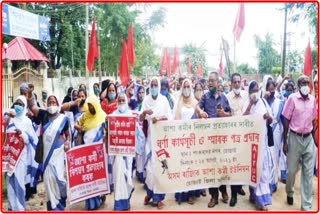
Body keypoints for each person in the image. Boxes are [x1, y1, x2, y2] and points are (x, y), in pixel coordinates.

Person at [27, 95, 70, 211]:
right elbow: (32, 107)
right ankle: (53, 208)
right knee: (49, 179)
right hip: (47, 156)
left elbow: (68, 135)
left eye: (54, 102)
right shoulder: (43, 115)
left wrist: (67, 143)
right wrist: (30, 94)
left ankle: (61, 200)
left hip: (58, 154)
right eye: (49, 103)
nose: (51, 105)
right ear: (47, 105)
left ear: (57, 104)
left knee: (60, 179)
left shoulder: (63, 118)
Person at [195, 71, 231, 208]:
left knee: (221, 166)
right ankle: (214, 196)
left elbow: (231, 113)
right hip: (209, 139)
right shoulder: (205, 97)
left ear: (217, 82)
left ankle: (223, 191)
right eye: (208, 81)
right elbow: (197, 106)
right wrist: (200, 112)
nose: (209, 83)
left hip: (222, 139)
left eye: (212, 81)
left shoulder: (223, 98)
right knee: (211, 167)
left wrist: (225, 114)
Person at [282, 75, 316, 211]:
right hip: (294, 138)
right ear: (298, 85)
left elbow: (313, 120)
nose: (305, 85)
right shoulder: (292, 99)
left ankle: (306, 206)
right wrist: (285, 141)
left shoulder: (312, 100)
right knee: (291, 171)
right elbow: (285, 120)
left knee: (308, 173)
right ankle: (289, 191)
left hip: (308, 138)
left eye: (307, 83)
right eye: (303, 83)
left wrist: (313, 139)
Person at [140, 76, 172, 209]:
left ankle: (158, 198)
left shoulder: (163, 100)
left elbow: (169, 116)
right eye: (151, 85)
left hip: (161, 138)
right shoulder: (146, 100)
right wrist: (145, 112)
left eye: (155, 85)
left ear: (158, 86)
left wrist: (159, 117)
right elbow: (141, 117)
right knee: (149, 168)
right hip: (150, 137)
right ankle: (150, 193)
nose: (153, 88)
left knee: (160, 167)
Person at [243, 80, 273, 211]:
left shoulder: (263, 102)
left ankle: (263, 200)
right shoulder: (247, 103)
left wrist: (268, 117)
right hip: (251, 143)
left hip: (263, 142)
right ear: (249, 92)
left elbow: (271, 120)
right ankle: (255, 196)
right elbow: (243, 119)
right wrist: (250, 103)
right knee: (253, 170)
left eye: (257, 90)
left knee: (262, 170)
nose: (255, 92)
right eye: (252, 90)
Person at [5, 96, 38, 211]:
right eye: (17, 103)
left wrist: (22, 134)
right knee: (10, 183)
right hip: (10, 158)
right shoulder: (11, 120)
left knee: (19, 183)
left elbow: (31, 140)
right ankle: (11, 207)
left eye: (21, 104)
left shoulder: (27, 122)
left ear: (24, 107)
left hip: (21, 157)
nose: (18, 106)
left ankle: (19, 208)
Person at [75, 95, 107, 210]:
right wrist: (81, 128)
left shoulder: (103, 116)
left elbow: (106, 131)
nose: (91, 109)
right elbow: (75, 124)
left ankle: (101, 196)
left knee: (98, 174)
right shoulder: (84, 116)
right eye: (89, 107)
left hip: (98, 152)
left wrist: (104, 136)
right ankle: (91, 202)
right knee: (89, 177)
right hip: (87, 152)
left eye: (92, 106)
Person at [173, 78, 200, 205]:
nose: (186, 89)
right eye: (185, 86)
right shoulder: (177, 103)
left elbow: (199, 120)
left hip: (193, 140)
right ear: (181, 88)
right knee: (181, 166)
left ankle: (190, 194)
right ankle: (181, 193)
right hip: (180, 139)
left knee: (191, 166)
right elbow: (173, 120)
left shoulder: (195, 103)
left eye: (188, 86)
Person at [108, 93, 135, 210]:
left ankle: (127, 200)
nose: (121, 102)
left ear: (127, 101)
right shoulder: (112, 116)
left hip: (127, 155)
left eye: (123, 100)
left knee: (127, 177)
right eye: (119, 100)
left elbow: (136, 134)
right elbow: (108, 133)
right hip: (117, 154)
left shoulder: (131, 115)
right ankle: (119, 204)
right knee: (118, 178)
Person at [226, 73, 248, 207]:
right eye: (234, 82)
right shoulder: (227, 97)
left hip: (245, 137)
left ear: (241, 83)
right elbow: (226, 114)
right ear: (231, 83)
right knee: (234, 166)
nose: (236, 84)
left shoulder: (246, 96)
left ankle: (239, 187)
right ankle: (233, 195)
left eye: (238, 81)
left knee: (243, 164)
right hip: (232, 137)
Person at [263, 80, 285, 194]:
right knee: (266, 159)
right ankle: (266, 183)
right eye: (269, 89)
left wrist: (285, 139)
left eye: (273, 89)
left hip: (276, 132)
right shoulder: (262, 102)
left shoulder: (280, 103)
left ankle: (273, 182)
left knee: (274, 157)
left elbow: (284, 121)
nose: (271, 92)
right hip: (265, 132)